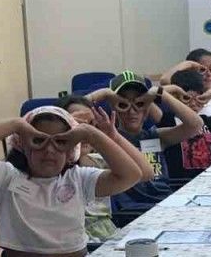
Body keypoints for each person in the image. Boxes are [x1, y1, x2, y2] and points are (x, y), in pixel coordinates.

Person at [0, 106, 141, 257]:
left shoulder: (78, 178)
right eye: (39, 141)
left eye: (60, 143)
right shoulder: (5, 178)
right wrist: (16, 125)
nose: (49, 150)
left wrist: (89, 133)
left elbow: (131, 174)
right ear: (23, 145)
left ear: (70, 151)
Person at [56, 95, 155, 241]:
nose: (85, 131)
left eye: (92, 124)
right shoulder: (49, 167)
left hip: (106, 235)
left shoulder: (97, 160)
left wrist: (112, 136)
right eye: (77, 124)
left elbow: (147, 172)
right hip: (77, 241)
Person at [87, 72, 204, 180]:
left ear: (147, 108)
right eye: (123, 104)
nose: (132, 111)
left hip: (164, 194)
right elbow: (76, 116)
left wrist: (160, 93)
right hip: (129, 197)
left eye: (139, 103)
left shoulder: (156, 136)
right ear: (114, 107)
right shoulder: (106, 139)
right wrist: (104, 94)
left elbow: (195, 125)